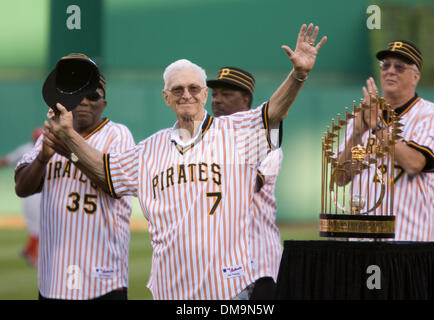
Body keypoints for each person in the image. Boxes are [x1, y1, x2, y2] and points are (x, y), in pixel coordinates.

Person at [45, 24, 326, 299]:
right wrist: (69, 136)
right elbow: (106, 172)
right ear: (166, 97)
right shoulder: (148, 150)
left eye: (194, 88)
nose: (186, 94)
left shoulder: (236, 132)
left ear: (204, 94)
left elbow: (274, 111)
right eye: (177, 90)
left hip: (229, 288)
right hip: (169, 289)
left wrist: (298, 75)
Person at [14, 54, 135, 300]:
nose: (85, 102)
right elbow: (22, 187)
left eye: (93, 95)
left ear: (104, 103)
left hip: (103, 279)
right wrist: (43, 158)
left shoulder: (117, 135)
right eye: (79, 95)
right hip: (53, 280)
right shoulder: (50, 134)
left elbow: (113, 183)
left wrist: (70, 151)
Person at [337, 40, 434, 241]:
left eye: (399, 67)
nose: (390, 71)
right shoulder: (362, 117)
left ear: (415, 77)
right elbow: (341, 178)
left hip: (409, 242)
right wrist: (356, 134)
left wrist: (377, 126)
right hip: (362, 241)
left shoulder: (429, 113)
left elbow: (414, 164)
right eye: (385, 65)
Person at [207, 67, 283, 299]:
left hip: (258, 262)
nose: (217, 100)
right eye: (215, 94)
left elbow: (244, 184)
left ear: (246, 100)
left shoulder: (268, 142)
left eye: (226, 94)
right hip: (222, 266)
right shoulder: (206, 140)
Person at [1, 127, 43, 267]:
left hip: (43, 190)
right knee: (36, 224)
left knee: (39, 224)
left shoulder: (50, 148)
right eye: (37, 137)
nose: (38, 139)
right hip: (29, 191)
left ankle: (28, 250)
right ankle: (30, 251)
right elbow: (6, 160)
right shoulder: (25, 149)